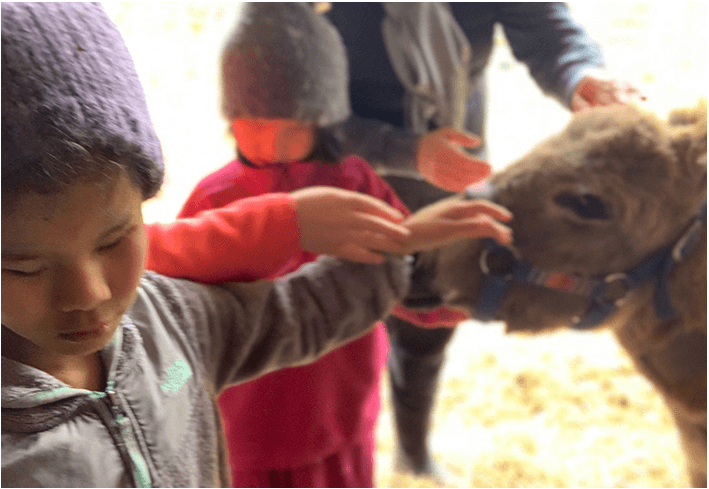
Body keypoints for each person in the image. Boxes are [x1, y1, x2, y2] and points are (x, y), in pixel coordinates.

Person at [0, 3, 516, 487]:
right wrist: (284, 223)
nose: (87, 294)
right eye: (22, 267)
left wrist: (410, 248)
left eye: (114, 240)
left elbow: (289, 316)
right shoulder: (216, 196)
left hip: (338, 408)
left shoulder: (174, 333)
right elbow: (192, 256)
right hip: (253, 431)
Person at [146, 3, 504, 488]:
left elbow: (394, 264)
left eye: (291, 129)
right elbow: (177, 317)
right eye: (253, 125)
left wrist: (441, 308)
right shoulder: (215, 199)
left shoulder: (355, 180)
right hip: (244, 433)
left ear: (323, 122)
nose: (271, 143)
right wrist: (166, 391)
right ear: (231, 121)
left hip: (342, 417)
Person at [321, 2, 647, 479]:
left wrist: (582, 75)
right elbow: (293, 110)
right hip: (336, 185)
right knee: (329, 333)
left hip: (448, 176)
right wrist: (407, 152)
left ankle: (412, 455)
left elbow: (545, 29)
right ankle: (340, 454)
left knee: (429, 320)